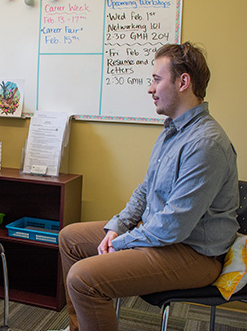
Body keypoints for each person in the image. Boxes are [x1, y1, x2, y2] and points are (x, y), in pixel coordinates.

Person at [57, 42, 239, 331]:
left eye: (156, 79)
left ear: (183, 82)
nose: (150, 88)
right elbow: (145, 190)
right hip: (163, 235)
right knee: (70, 238)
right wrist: (118, 225)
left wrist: (119, 243)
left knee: (83, 278)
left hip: (193, 254)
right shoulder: (172, 130)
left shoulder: (206, 144)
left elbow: (173, 227)